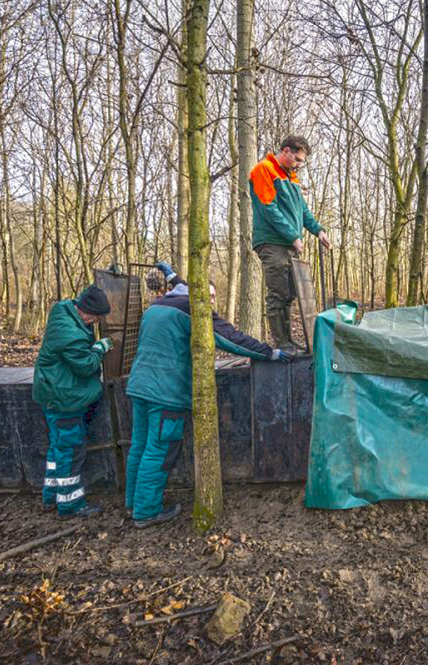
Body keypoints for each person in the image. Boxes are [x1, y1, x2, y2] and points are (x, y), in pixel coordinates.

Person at [123, 263, 292, 529]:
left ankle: (133, 503)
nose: (210, 302)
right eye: (208, 296)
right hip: (166, 391)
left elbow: (180, 284)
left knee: (140, 446)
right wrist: (269, 353)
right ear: (196, 293)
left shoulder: (159, 305)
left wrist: (171, 274)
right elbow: (231, 338)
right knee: (159, 449)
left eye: (212, 297)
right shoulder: (193, 309)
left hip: (139, 385)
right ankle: (145, 512)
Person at [32, 285, 114, 519]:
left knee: (58, 447)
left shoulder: (63, 312)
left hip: (52, 392)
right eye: (96, 318)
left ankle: (51, 496)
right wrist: (100, 348)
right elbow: (86, 365)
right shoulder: (70, 335)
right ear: (86, 312)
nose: (96, 323)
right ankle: (70, 504)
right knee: (71, 449)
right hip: (64, 398)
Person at [250, 134, 331, 350]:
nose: (298, 165)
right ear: (286, 150)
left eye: (301, 162)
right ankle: (282, 343)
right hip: (272, 241)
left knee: (291, 293)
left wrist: (318, 230)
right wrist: (292, 236)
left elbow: (302, 210)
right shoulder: (264, 169)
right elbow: (268, 208)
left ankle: (288, 341)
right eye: (297, 160)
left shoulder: (291, 177)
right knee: (278, 292)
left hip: (289, 243)